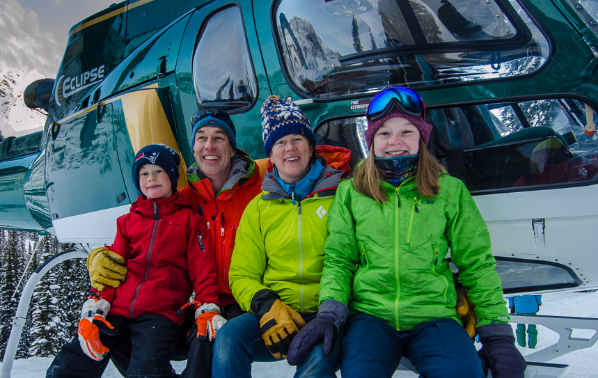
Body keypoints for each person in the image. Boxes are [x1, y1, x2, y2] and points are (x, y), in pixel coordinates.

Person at [288, 87, 527, 378]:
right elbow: (339, 260)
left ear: (422, 138)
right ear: (372, 141)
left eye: (406, 132)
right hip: (370, 317)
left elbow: (477, 263)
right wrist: (330, 314)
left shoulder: (449, 191)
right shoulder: (352, 192)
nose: (395, 142)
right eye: (384, 133)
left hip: (434, 316)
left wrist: (497, 333)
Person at [85, 109, 266, 377]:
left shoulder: (261, 186)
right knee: (120, 330)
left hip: (245, 298)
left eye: (219, 138)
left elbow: (295, 157)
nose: (209, 146)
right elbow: (144, 224)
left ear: (232, 146)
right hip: (203, 300)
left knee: (212, 338)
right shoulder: (181, 199)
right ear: (193, 149)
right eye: (201, 138)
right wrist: (99, 256)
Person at [46, 144, 225, 378]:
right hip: (117, 311)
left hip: (160, 313)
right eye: (144, 173)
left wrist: (207, 307)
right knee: (71, 362)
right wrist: (95, 310)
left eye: (159, 171)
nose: (151, 178)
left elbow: (203, 269)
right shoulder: (127, 222)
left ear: (172, 176)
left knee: (146, 371)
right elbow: (111, 272)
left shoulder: (189, 221)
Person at [210, 95, 351, 378]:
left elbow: (353, 260)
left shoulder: (342, 196)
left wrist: (331, 313)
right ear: (271, 156)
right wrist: (267, 305)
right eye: (280, 142)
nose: (290, 148)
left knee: (315, 365)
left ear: (311, 147)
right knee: (228, 339)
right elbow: (241, 274)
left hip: (329, 313)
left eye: (297, 139)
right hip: (278, 313)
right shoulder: (259, 208)